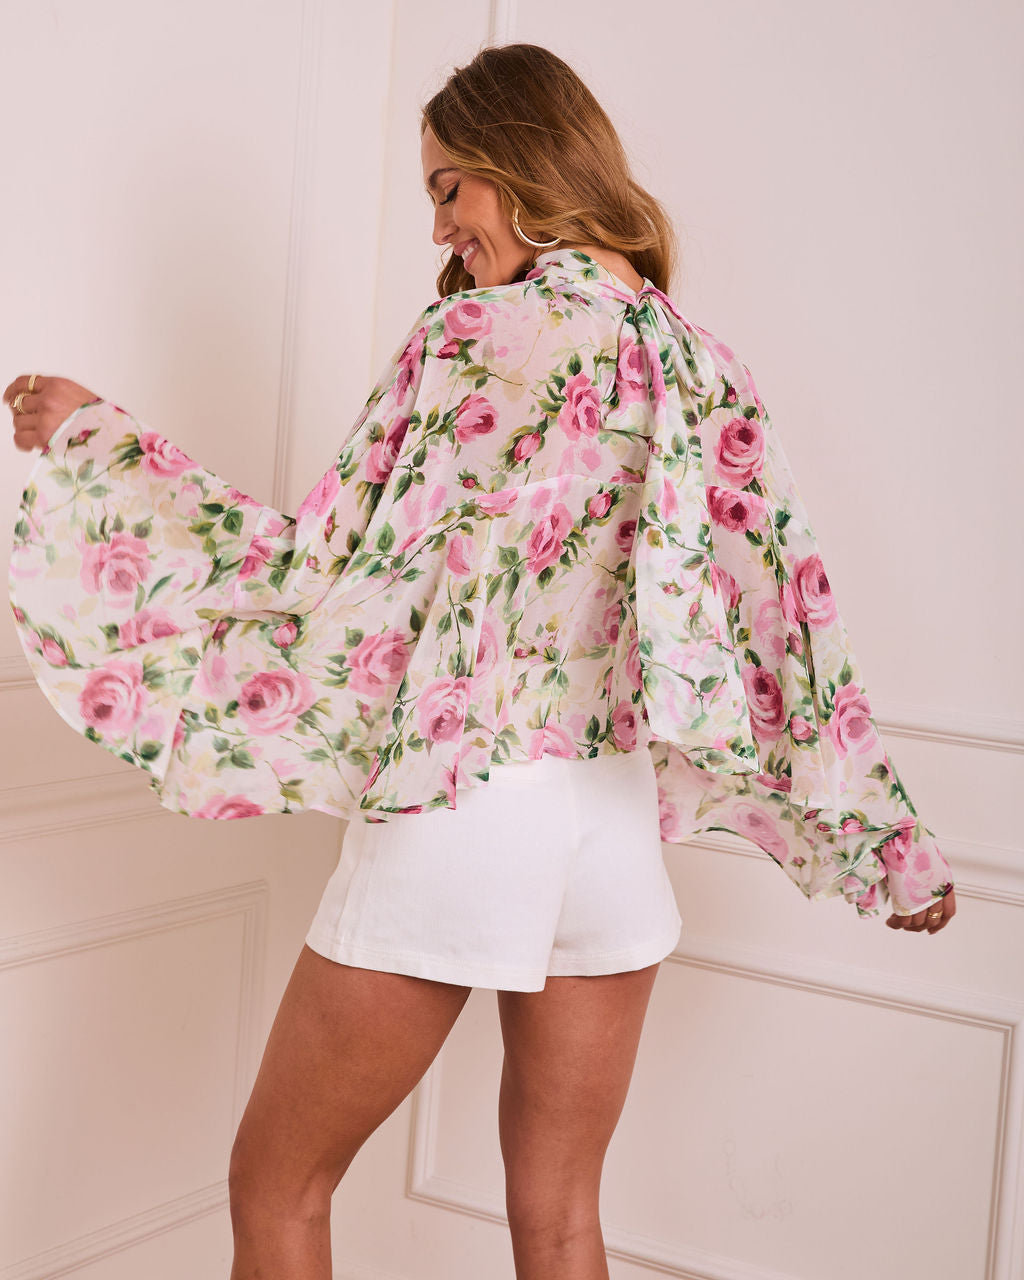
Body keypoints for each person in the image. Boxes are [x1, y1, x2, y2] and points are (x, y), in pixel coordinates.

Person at [5, 40, 956, 1280]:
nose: (440, 226)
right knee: (560, 1212)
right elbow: (788, 612)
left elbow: (322, 562)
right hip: (610, 826)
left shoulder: (476, 337)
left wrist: (100, 440)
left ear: (520, 161)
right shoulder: (697, 355)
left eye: (449, 187)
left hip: (465, 807)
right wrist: (890, 841)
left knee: (277, 1185)